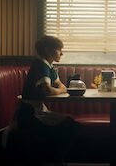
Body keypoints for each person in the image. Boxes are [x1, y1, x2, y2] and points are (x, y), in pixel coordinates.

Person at [7, 35, 81, 166]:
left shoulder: (50, 67)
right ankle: (56, 159)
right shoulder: (40, 65)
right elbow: (48, 90)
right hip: (29, 114)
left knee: (71, 123)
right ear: (48, 50)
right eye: (59, 49)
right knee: (72, 126)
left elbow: (61, 86)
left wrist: (59, 89)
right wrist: (60, 90)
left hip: (38, 110)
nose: (62, 53)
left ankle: (54, 158)